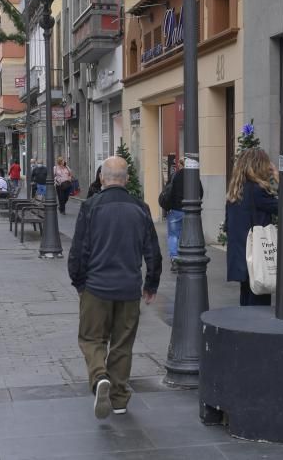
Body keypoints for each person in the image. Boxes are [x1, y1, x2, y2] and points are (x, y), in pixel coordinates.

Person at [68, 156, 162, 419]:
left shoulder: (91, 206)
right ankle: (119, 398)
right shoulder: (140, 208)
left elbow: (79, 250)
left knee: (91, 338)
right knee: (122, 343)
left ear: (101, 178)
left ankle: (99, 377)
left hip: (96, 287)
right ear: (127, 180)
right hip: (129, 288)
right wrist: (151, 283)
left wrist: (78, 281)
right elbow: (152, 251)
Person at [225, 148, 279, 306]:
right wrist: (278, 178)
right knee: (259, 303)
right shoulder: (257, 190)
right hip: (257, 256)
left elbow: (228, 225)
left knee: (247, 299)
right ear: (260, 166)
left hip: (243, 255)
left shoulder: (236, 191)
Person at [164, 159, 204, 272]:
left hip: (175, 209)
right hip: (189, 210)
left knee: (173, 235)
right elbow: (200, 192)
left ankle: (174, 258)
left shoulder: (174, 176)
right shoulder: (194, 176)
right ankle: (185, 256)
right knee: (186, 234)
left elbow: (168, 192)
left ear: (181, 165)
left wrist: (168, 207)